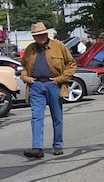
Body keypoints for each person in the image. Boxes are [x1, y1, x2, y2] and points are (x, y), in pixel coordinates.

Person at [20, 22, 77, 159]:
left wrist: (60, 79)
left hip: (53, 85)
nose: (40, 37)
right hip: (36, 85)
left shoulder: (59, 46)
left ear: (47, 34)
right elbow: (23, 66)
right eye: (37, 35)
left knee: (57, 117)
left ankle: (58, 145)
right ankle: (37, 148)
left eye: (42, 34)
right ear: (34, 37)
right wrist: (25, 78)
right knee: (36, 117)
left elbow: (71, 64)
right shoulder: (30, 49)